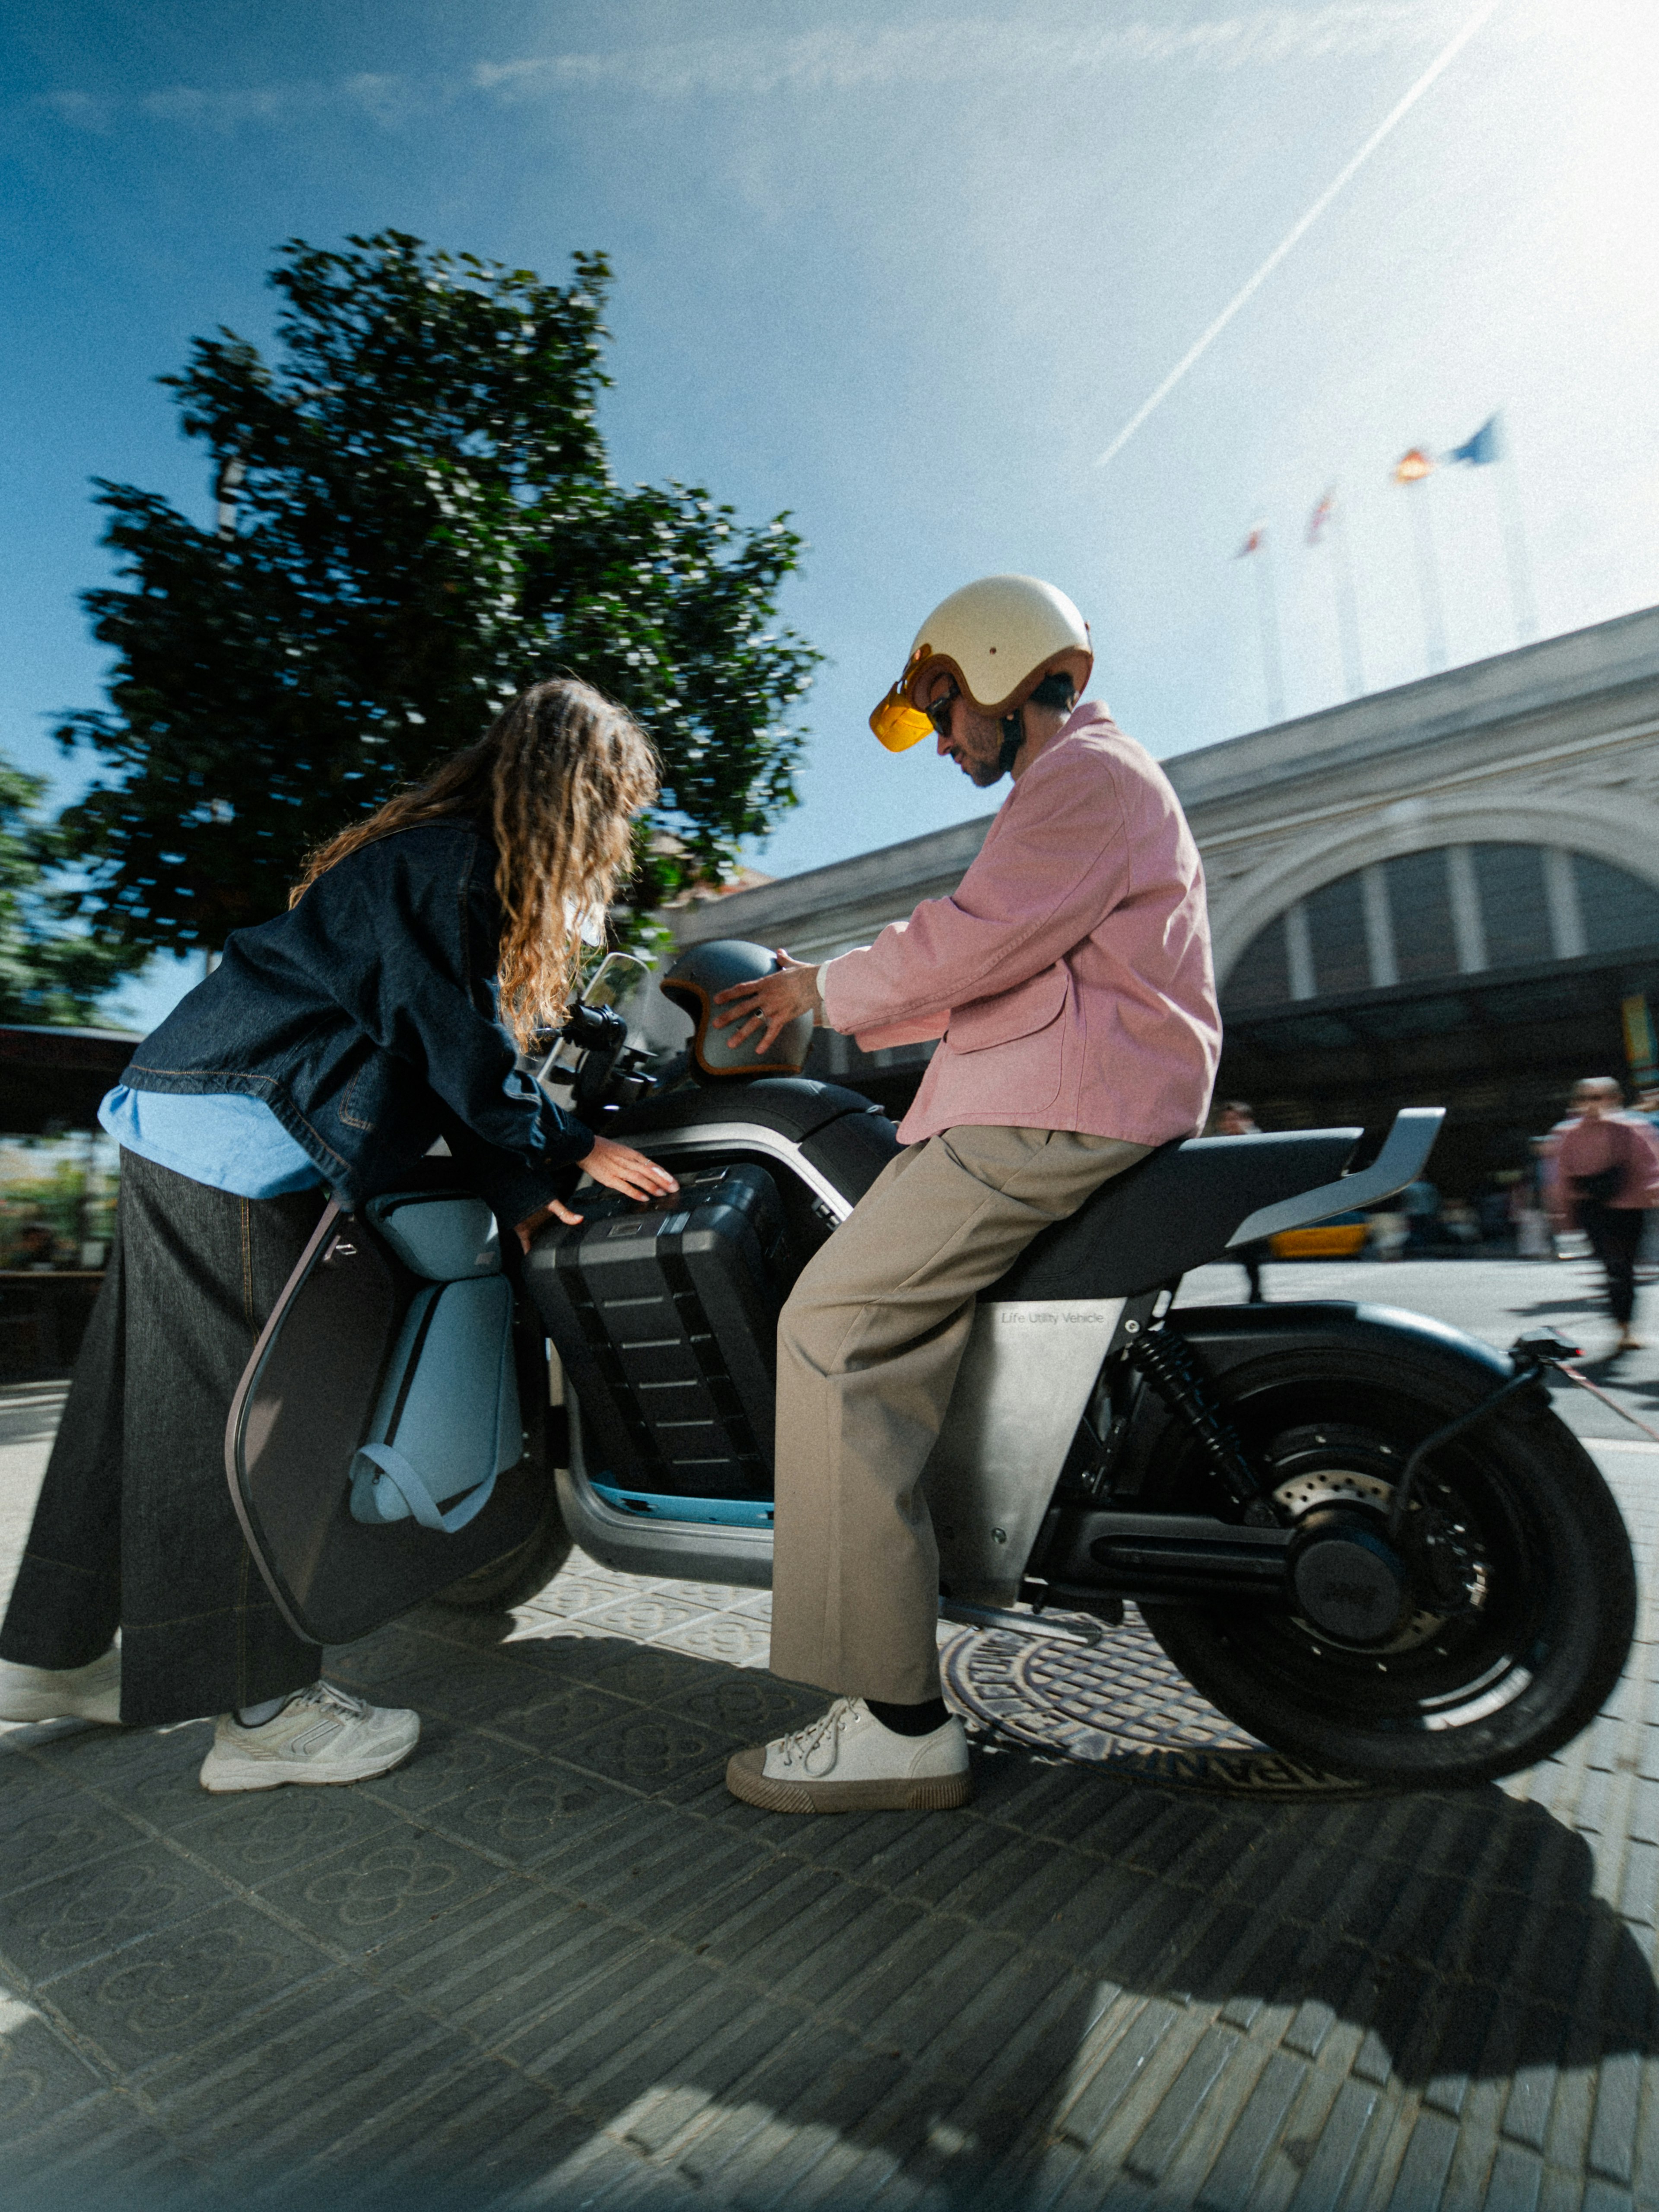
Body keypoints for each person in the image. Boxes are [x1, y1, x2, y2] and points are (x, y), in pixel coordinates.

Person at [0, 677, 677, 1788]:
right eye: (616, 805)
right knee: (249, 1410)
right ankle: (260, 1713)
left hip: (184, 1116)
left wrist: (518, 1171)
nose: (619, 833)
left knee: (134, 1397)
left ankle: (44, 1654)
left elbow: (423, 1048)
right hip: (239, 1136)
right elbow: (450, 1037)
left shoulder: (427, 858)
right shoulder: (455, 867)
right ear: (574, 792)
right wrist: (561, 1149)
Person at [710, 575, 1220, 1812]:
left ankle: (893, 1719)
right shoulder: (1088, 787)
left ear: (998, 668)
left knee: (835, 1330)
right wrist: (829, 992)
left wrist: (815, 992)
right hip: (1064, 1095)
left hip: (1052, 1108)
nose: (944, 739)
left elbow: (971, 937)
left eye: (945, 709)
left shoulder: (1085, 777)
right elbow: (980, 966)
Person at [1551, 1076, 1659, 1353]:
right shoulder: (1567, 1134)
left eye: (1599, 1098)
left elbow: (1652, 1168)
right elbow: (1561, 1179)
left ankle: (1625, 1328)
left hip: (1630, 1208)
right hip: (1592, 1210)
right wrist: (1564, 1221)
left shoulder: (1634, 1128)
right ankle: (1622, 1326)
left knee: (1624, 1268)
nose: (1592, 1105)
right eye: (1585, 1098)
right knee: (1614, 1267)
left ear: (1614, 1099)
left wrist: (1653, 1191)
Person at [1213, 1101, 1268, 1302]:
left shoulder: (1259, 1143)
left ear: (1248, 1120)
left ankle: (1256, 1292)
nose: (1231, 1124)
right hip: (1229, 1206)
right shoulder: (1217, 1145)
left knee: (1250, 1255)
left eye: (1235, 1118)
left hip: (1252, 1207)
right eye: (1227, 1120)